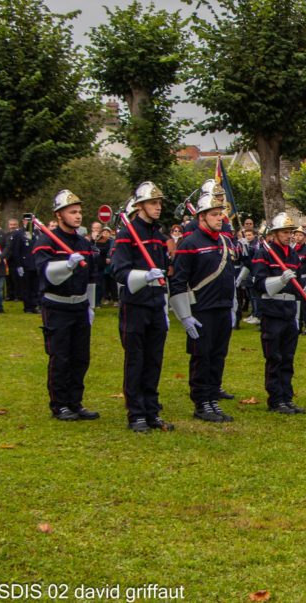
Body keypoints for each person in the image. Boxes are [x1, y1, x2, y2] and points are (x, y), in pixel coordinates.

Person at [170, 188, 238, 423]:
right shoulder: (189, 243)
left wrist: (232, 306)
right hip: (201, 309)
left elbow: (229, 275)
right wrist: (185, 316)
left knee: (218, 355)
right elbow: (178, 282)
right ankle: (201, 402)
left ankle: (212, 398)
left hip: (222, 307)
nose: (220, 217)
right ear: (201, 217)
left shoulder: (225, 242)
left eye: (221, 213)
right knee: (202, 357)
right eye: (214, 214)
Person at [111, 182, 173, 432]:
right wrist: (144, 276)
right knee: (136, 360)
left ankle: (151, 410)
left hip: (156, 304)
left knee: (154, 360)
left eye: (159, 203)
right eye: (152, 203)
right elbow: (119, 271)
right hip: (135, 304)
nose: (158, 207)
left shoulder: (158, 236)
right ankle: (135, 413)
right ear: (140, 206)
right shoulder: (126, 234)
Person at [33, 190, 99, 421]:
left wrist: (90, 305)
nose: (78, 216)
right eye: (73, 212)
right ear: (59, 215)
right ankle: (59, 404)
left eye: (80, 212)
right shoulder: (47, 240)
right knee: (60, 357)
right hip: (57, 306)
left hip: (79, 306)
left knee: (81, 357)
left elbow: (91, 275)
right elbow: (46, 273)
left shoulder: (83, 242)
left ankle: (75, 401)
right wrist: (67, 265)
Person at [252, 213, 306, 413]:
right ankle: (275, 399)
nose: (289, 235)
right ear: (274, 233)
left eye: (291, 232)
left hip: (289, 311)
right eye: (285, 232)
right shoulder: (264, 253)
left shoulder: (292, 255)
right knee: (274, 357)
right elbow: (259, 284)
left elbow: (298, 285)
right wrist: (280, 280)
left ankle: (287, 397)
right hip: (272, 311)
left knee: (288, 358)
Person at [8, 214, 39, 313]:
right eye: (27, 220)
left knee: (35, 286)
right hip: (24, 264)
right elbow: (16, 251)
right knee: (26, 287)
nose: (29, 222)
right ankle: (28, 307)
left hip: (35, 263)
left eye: (31, 220)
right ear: (23, 221)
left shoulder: (37, 232)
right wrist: (18, 265)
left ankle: (34, 305)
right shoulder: (19, 233)